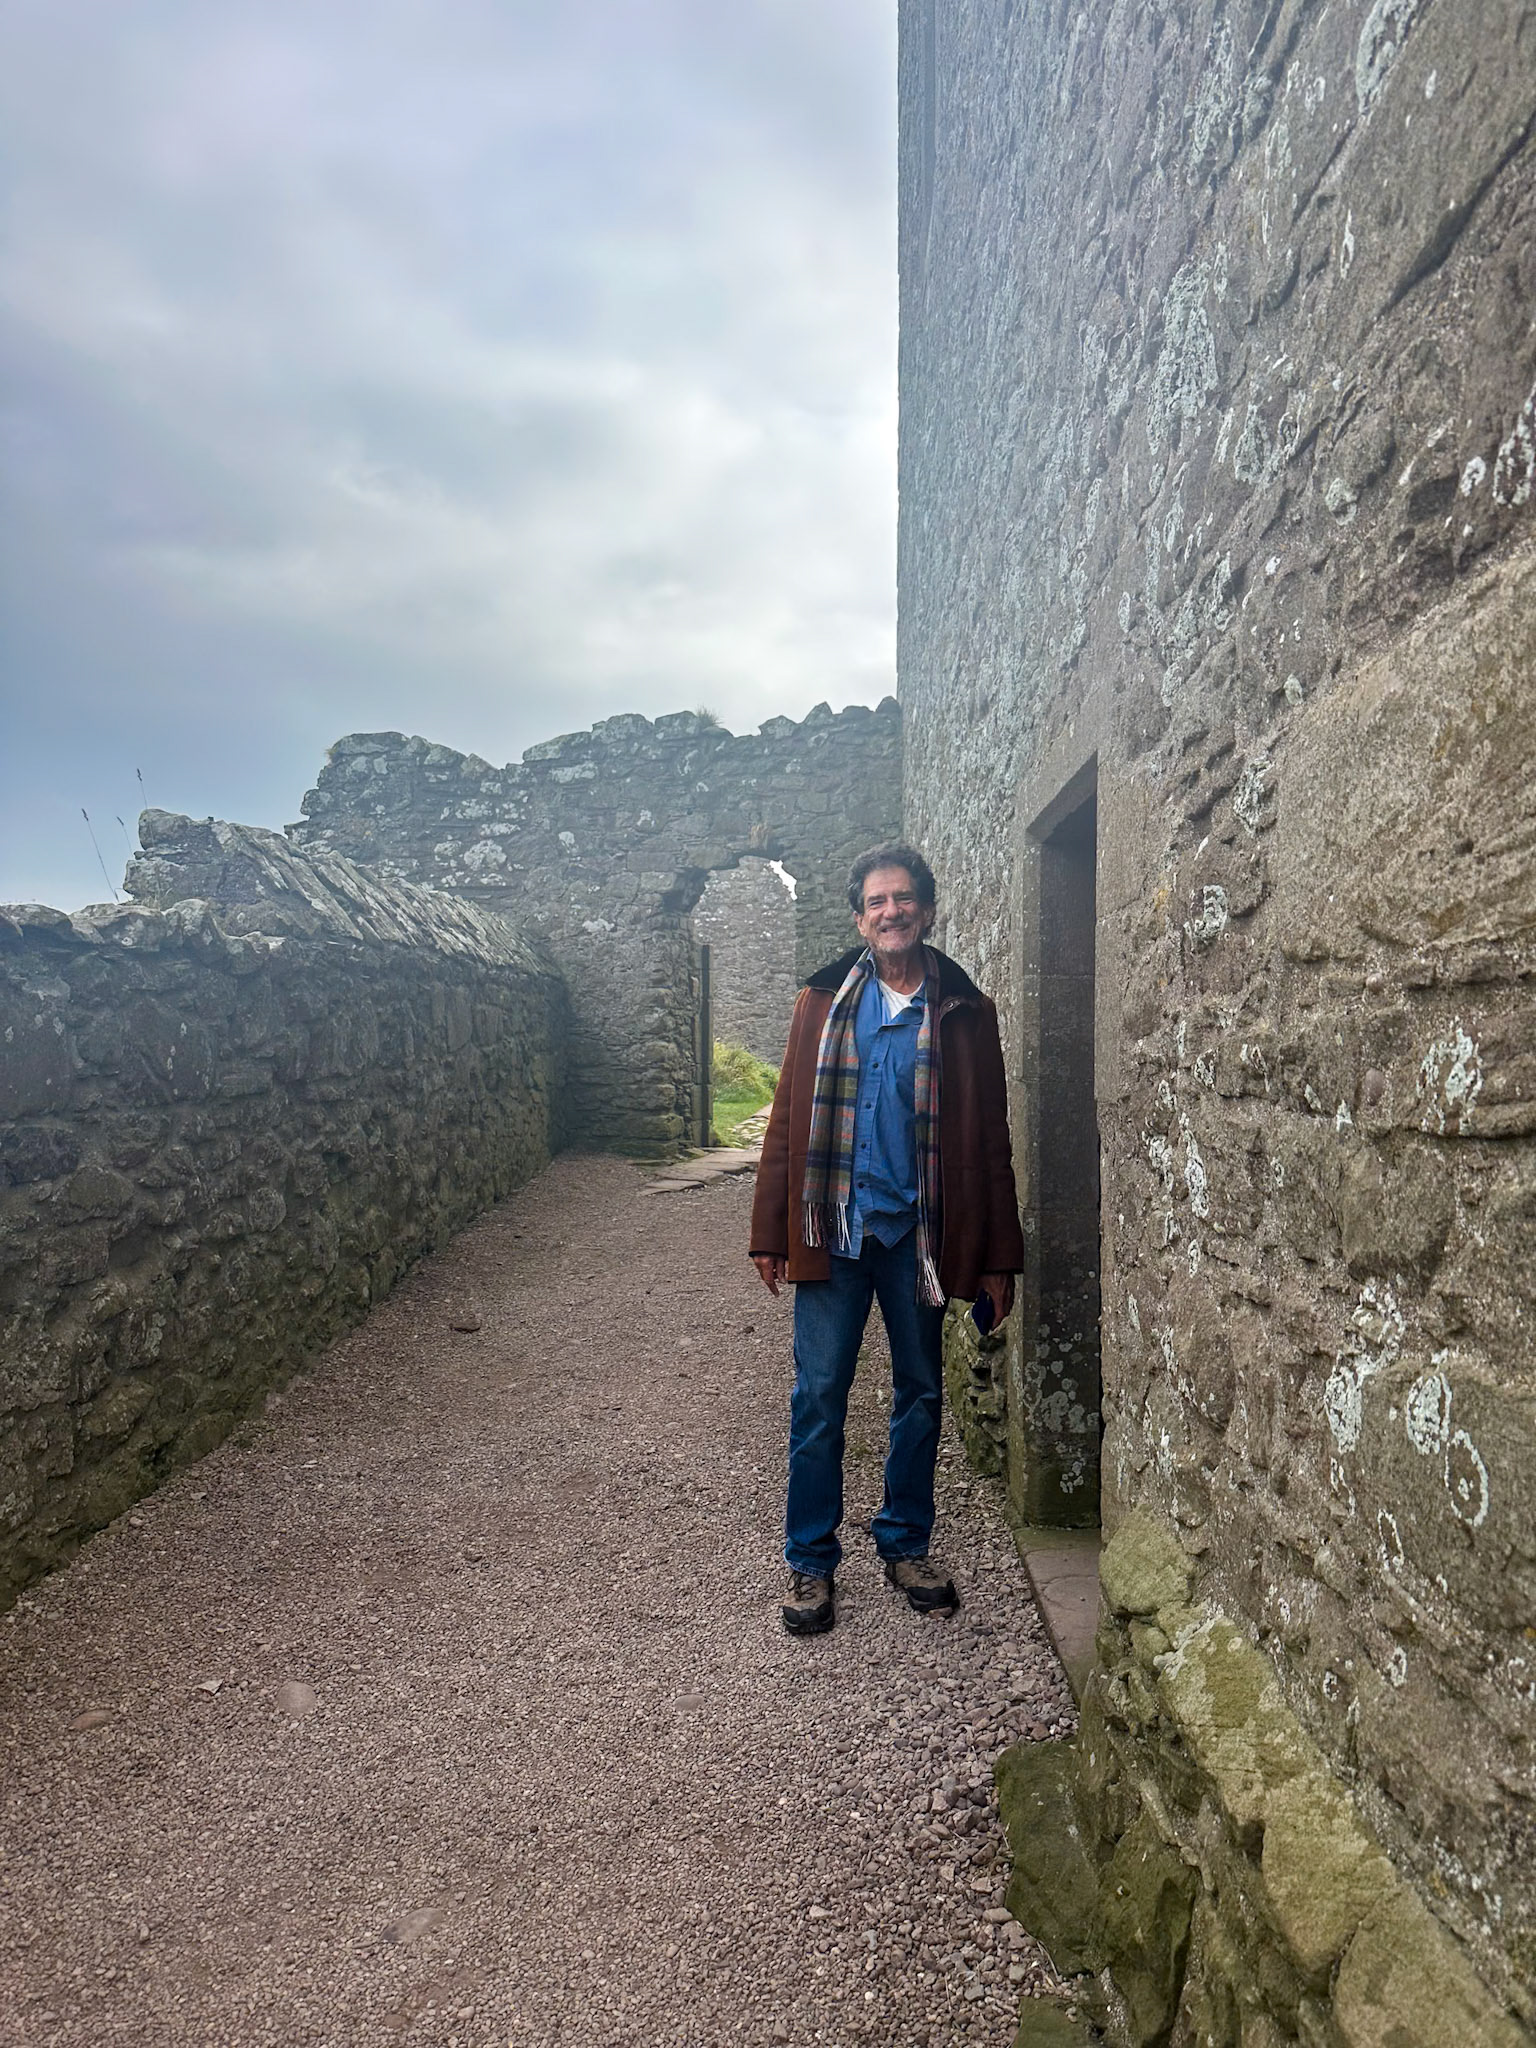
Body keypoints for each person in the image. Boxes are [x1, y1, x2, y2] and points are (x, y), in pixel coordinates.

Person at [749, 844, 1024, 1636]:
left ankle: (906, 1544)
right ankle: (810, 1561)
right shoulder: (822, 1002)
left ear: (928, 911)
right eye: (876, 902)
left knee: (921, 1393)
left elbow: (991, 1140)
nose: (891, 911)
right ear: (859, 918)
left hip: (918, 1238)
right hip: (834, 1234)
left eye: (904, 899)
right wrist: (771, 1230)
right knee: (819, 1399)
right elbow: (786, 1122)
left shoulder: (965, 1011)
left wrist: (1000, 1255)